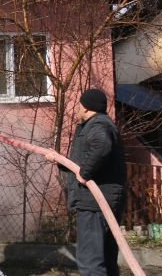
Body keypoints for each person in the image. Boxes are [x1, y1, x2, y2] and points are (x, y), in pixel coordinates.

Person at [54, 88, 126, 276]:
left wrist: (85, 173)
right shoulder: (102, 124)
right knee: (106, 261)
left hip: (94, 203)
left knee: (90, 262)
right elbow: (89, 157)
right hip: (103, 201)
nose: (77, 109)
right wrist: (62, 163)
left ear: (86, 107)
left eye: (79, 105)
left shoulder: (98, 126)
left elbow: (102, 146)